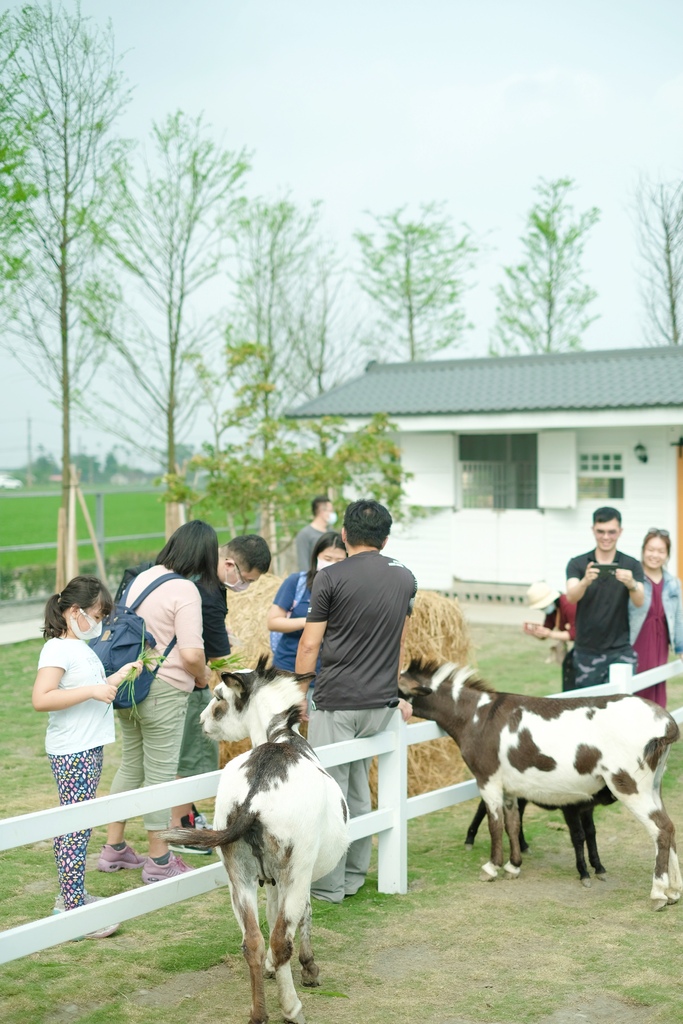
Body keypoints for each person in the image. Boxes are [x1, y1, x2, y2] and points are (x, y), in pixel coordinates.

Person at [296, 499, 416, 903]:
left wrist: (298, 694)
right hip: (380, 704)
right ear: (385, 537)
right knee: (359, 790)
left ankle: (328, 886)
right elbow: (400, 640)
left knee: (332, 792)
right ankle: (353, 876)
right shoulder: (406, 577)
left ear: (344, 534)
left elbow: (310, 644)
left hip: (337, 700)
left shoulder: (330, 577)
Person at [98, 520, 217, 883]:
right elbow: (192, 652)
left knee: (132, 765)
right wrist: (203, 677)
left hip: (131, 683)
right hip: (165, 689)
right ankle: (159, 859)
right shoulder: (185, 590)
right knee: (161, 775)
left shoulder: (143, 578)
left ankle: (114, 848)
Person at [32, 575, 142, 937]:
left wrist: (117, 677)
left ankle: (73, 897)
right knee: (75, 828)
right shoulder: (57, 649)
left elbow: (90, 689)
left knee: (79, 825)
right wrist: (94, 690)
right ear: (74, 612)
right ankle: (71, 907)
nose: (99, 622)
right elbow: (42, 698)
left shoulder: (79, 648)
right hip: (72, 750)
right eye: (97, 614)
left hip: (87, 747)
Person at [168, 534, 271, 854]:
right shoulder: (209, 593)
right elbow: (216, 654)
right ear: (229, 564)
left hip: (170, 678)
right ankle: (180, 826)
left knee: (178, 756)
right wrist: (213, 674)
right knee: (190, 756)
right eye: (246, 579)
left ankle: (184, 814)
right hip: (188, 680)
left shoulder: (186, 576)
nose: (246, 587)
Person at [566, 506, 644, 689]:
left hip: (620, 650)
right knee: (588, 709)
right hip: (587, 650)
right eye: (600, 531)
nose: (606, 537)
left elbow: (640, 600)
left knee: (621, 708)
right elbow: (571, 596)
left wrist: (631, 583)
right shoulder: (577, 563)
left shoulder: (631, 564)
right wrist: (585, 581)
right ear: (593, 529)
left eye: (611, 532)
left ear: (620, 532)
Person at [267, 532, 346, 709]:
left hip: (329, 677)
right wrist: (311, 622)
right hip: (287, 672)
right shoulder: (297, 582)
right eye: (327, 558)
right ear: (316, 556)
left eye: (339, 561)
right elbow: (273, 621)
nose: (332, 564)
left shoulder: (349, 590)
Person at [629, 528, 683, 707]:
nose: (655, 555)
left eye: (661, 551)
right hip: (637, 640)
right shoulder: (633, 578)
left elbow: (678, 616)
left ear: (667, 555)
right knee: (636, 690)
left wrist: (680, 647)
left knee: (657, 687)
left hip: (661, 643)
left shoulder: (673, 583)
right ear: (643, 550)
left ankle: (655, 733)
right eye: (651, 549)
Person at [522, 581, 577, 690]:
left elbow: (574, 634)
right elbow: (547, 630)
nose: (543, 610)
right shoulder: (553, 610)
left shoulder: (568, 604)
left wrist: (550, 634)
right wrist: (536, 633)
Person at [295, 495, 337, 571]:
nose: (333, 514)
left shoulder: (332, 533)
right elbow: (303, 563)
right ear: (322, 512)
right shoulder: (305, 534)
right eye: (331, 511)